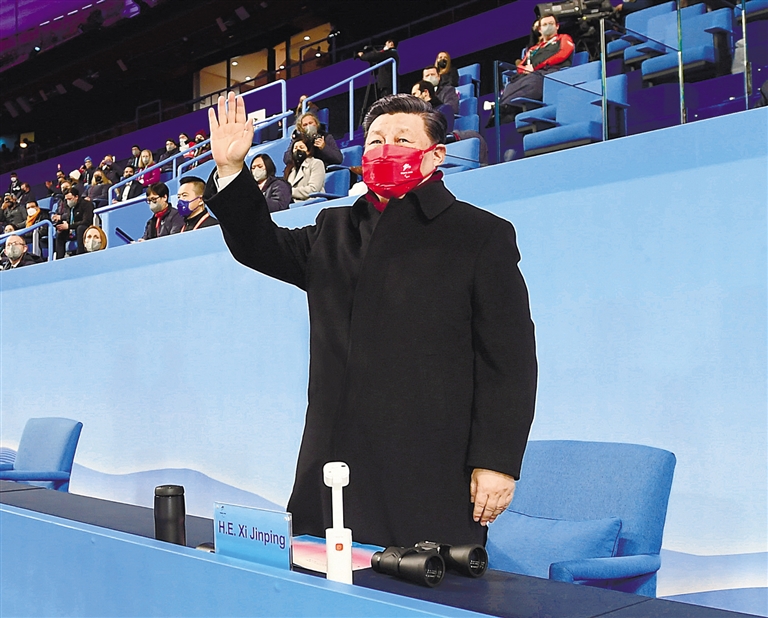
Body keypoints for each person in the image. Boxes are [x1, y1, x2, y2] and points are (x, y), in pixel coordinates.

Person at [204, 92, 537, 549]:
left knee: (424, 583)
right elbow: (257, 244)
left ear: (436, 155)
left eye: (402, 139)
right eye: (376, 141)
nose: (385, 149)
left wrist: (496, 460)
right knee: (317, 575)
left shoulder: (479, 234)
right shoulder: (333, 230)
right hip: (332, 460)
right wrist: (230, 170)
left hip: (429, 466)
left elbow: (509, 359)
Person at [496, 15, 574, 124]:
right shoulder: (534, 49)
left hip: (552, 72)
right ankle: (502, 109)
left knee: (533, 81)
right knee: (512, 84)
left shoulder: (563, 38)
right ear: (540, 29)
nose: (548, 26)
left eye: (551, 24)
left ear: (557, 26)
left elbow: (563, 54)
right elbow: (520, 66)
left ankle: (508, 107)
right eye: (545, 24)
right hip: (531, 74)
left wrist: (536, 66)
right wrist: (525, 70)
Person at [53, 187, 93, 258]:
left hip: (84, 228)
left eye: (69, 199)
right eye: (66, 199)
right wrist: (62, 226)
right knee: (60, 233)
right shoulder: (69, 207)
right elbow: (68, 221)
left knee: (80, 228)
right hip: (72, 229)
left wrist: (69, 226)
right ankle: (59, 258)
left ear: (76, 197)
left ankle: (80, 255)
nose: (68, 201)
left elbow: (86, 221)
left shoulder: (86, 204)